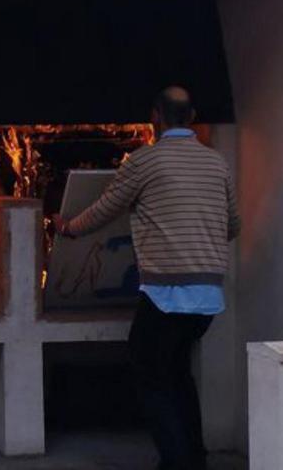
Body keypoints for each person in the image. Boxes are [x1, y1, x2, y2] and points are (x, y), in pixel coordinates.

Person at [52, 86, 240, 470]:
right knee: (177, 373)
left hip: (166, 292)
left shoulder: (145, 161)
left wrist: (67, 227)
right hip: (208, 296)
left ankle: (176, 462)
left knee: (148, 373)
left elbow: (105, 209)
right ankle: (196, 458)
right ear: (192, 116)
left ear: (155, 116)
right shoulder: (217, 163)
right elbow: (232, 224)